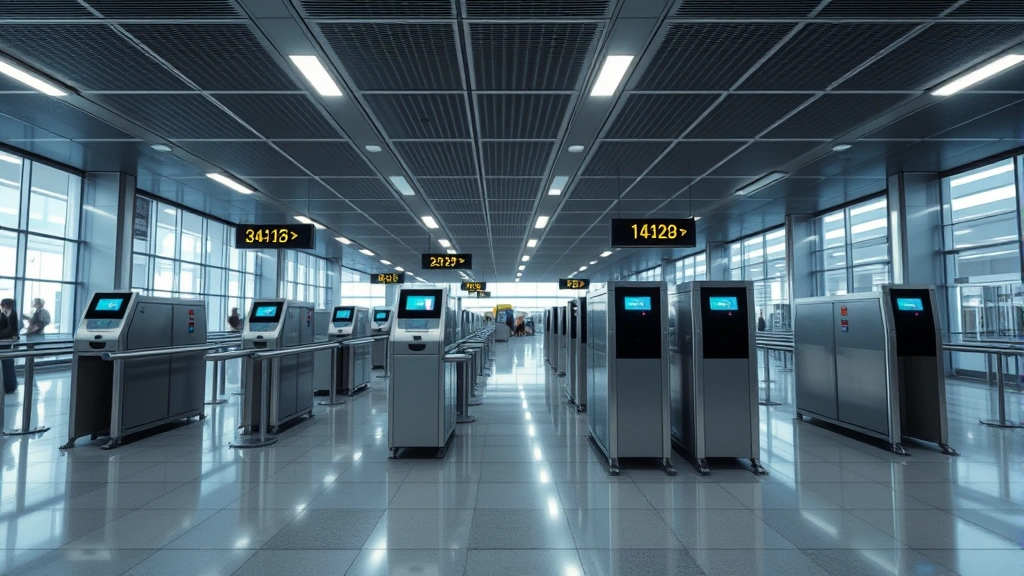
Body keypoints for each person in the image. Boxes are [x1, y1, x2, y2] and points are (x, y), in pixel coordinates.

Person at [0, 298, 19, 393]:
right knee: (8, 365)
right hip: (6, 345)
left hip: (4, 345)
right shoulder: (9, 314)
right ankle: (10, 385)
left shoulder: (10, 315)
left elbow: (12, 330)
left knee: (7, 365)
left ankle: (9, 386)